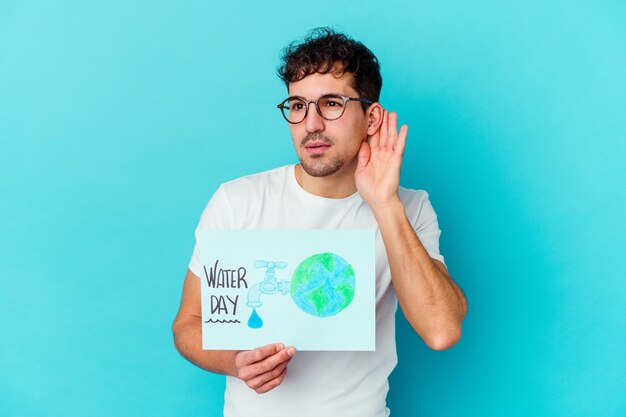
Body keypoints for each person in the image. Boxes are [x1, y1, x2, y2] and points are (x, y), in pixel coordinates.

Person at [172, 27, 468, 417]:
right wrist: (235, 361)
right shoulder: (236, 201)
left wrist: (384, 203)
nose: (311, 124)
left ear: (371, 117)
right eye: (297, 106)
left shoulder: (409, 208)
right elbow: (188, 325)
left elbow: (442, 330)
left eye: (331, 103)